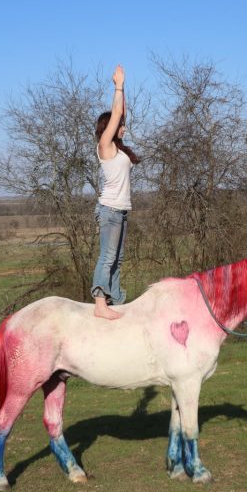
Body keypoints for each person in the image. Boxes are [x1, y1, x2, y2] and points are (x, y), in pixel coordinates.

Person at [91, 65, 139, 319]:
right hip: (109, 210)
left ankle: (115, 298)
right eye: (119, 125)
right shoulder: (105, 146)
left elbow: (123, 112)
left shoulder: (119, 150)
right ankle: (100, 304)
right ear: (107, 127)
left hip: (120, 211)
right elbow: (118, 112)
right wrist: (118, 85)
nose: (124, 127)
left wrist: (124, 89)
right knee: (107, 257)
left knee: (118, 259)